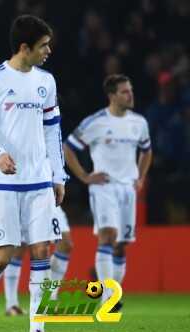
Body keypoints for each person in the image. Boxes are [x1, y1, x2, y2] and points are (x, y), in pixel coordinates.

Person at [0, 14, 66, 332]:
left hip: (39, 181)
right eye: (43, 46)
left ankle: (37, 330)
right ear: (24, 47)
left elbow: (53, 131)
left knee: (43, 251)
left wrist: (58, 173)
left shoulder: (46, 82)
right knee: (2, 256)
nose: (48, 51)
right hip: (3, 183)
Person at [64, 74, 152, 310]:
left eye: (130, 90)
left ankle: (108, 289)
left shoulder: (139, 123)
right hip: (103, 188)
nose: (130, 95)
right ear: (112, 96)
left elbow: (146, 150)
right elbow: (67, 148)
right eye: (124, 91)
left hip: (128, 189)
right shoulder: (96, 122)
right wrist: (84, 176)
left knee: (121, 245)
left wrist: (141, 177)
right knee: (108, 236)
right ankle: (108, 299)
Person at [3, 206, 73, 316]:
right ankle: (11, 304)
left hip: (52, 202)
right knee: (20, 247)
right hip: (29, 198)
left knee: (66, 245)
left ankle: (49, 300)